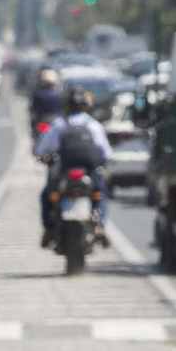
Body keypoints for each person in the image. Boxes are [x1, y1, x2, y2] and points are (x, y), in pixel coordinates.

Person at [34, 86, 113, 243]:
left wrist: (43, 157)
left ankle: (48, 228)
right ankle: (99, 226)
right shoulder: (94, 125)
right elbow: (107, 154)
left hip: (62, 171)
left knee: (46, 195)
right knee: (101, 194)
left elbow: (40, 149)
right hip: (90, 172)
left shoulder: (59, 124)